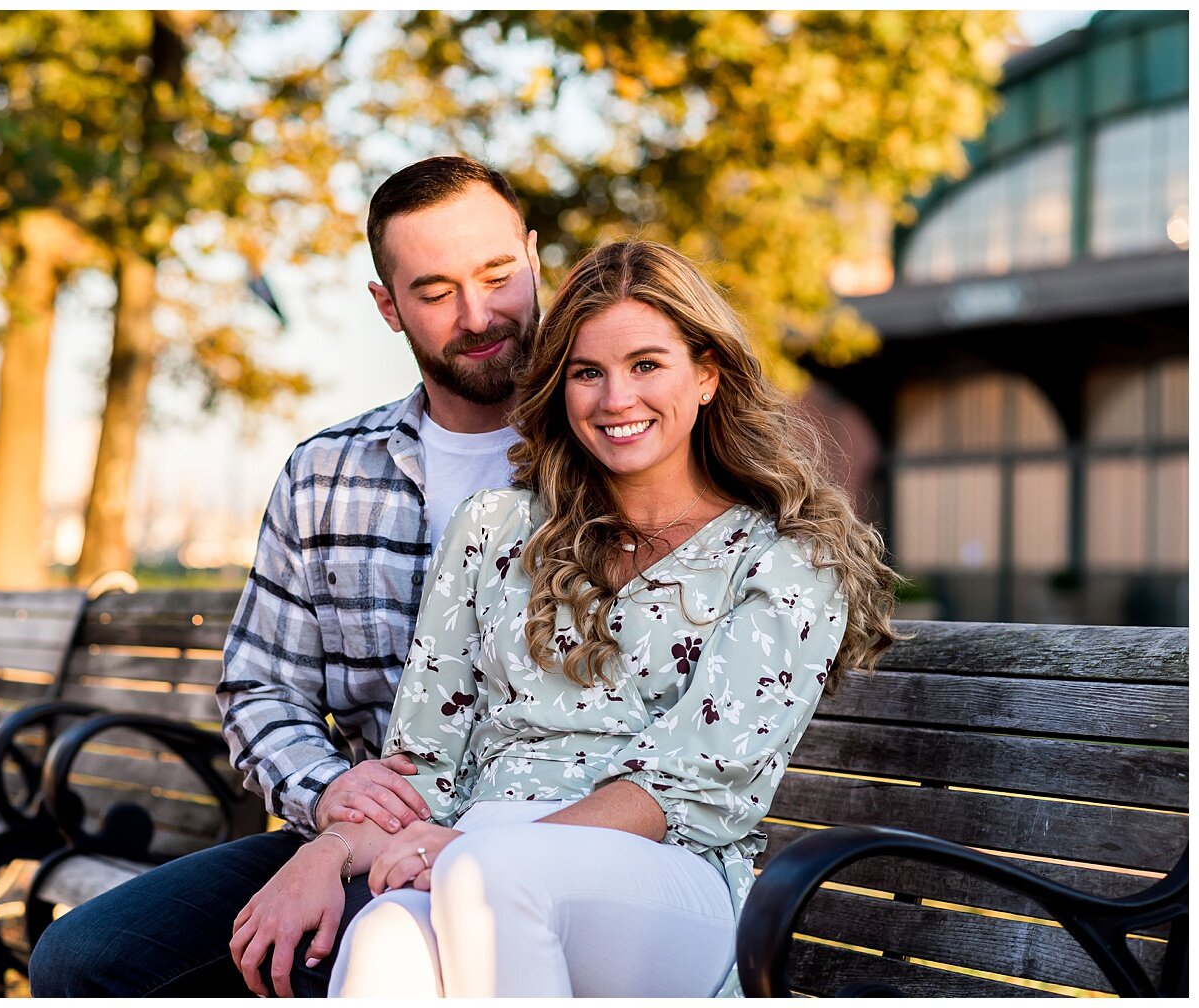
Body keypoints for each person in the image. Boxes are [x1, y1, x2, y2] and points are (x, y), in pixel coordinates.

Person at [228, 240, 901, 998]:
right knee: (385, 936)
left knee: (489, 876)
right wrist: (329, 852)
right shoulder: (494, 529)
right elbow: (427, 761)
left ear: (706, 375)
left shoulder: (782, 557)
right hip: (473, 857)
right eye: (588, 372)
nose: (616, 399)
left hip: (667, 882)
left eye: (646, 365)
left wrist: (461, 855)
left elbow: (689, 784)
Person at [28, 155, 542, 997]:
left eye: (497, 275)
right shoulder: (328, 473)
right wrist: (333, 792)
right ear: (388, 306)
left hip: (537, 839)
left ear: (533, 255)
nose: (478, 314)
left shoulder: (609, 457)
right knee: (86, 960)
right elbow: (261, 687)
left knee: (320, 966)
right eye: (435, 290)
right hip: (363, 825)